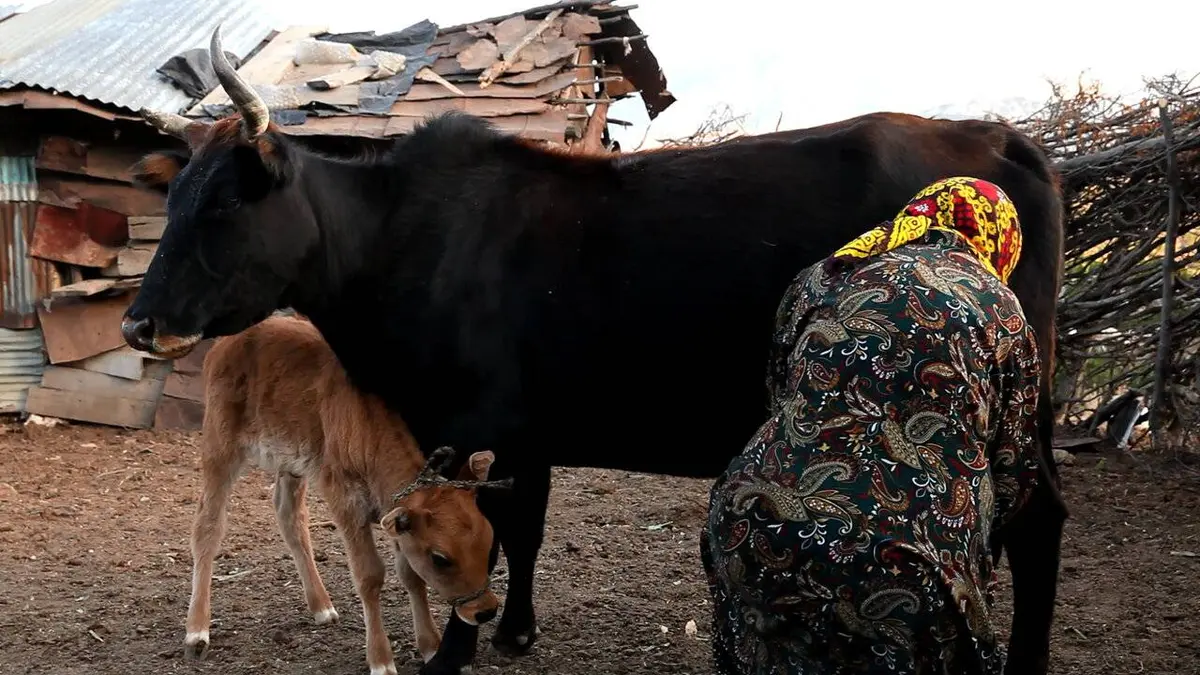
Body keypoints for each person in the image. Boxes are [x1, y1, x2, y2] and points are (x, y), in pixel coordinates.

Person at [701, 176, 1042, 675]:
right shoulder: (999, 308)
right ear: (997, 238)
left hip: (754, 523)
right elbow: (1013, 469)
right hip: (904, 559)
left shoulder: (823, 276)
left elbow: (781, 399)